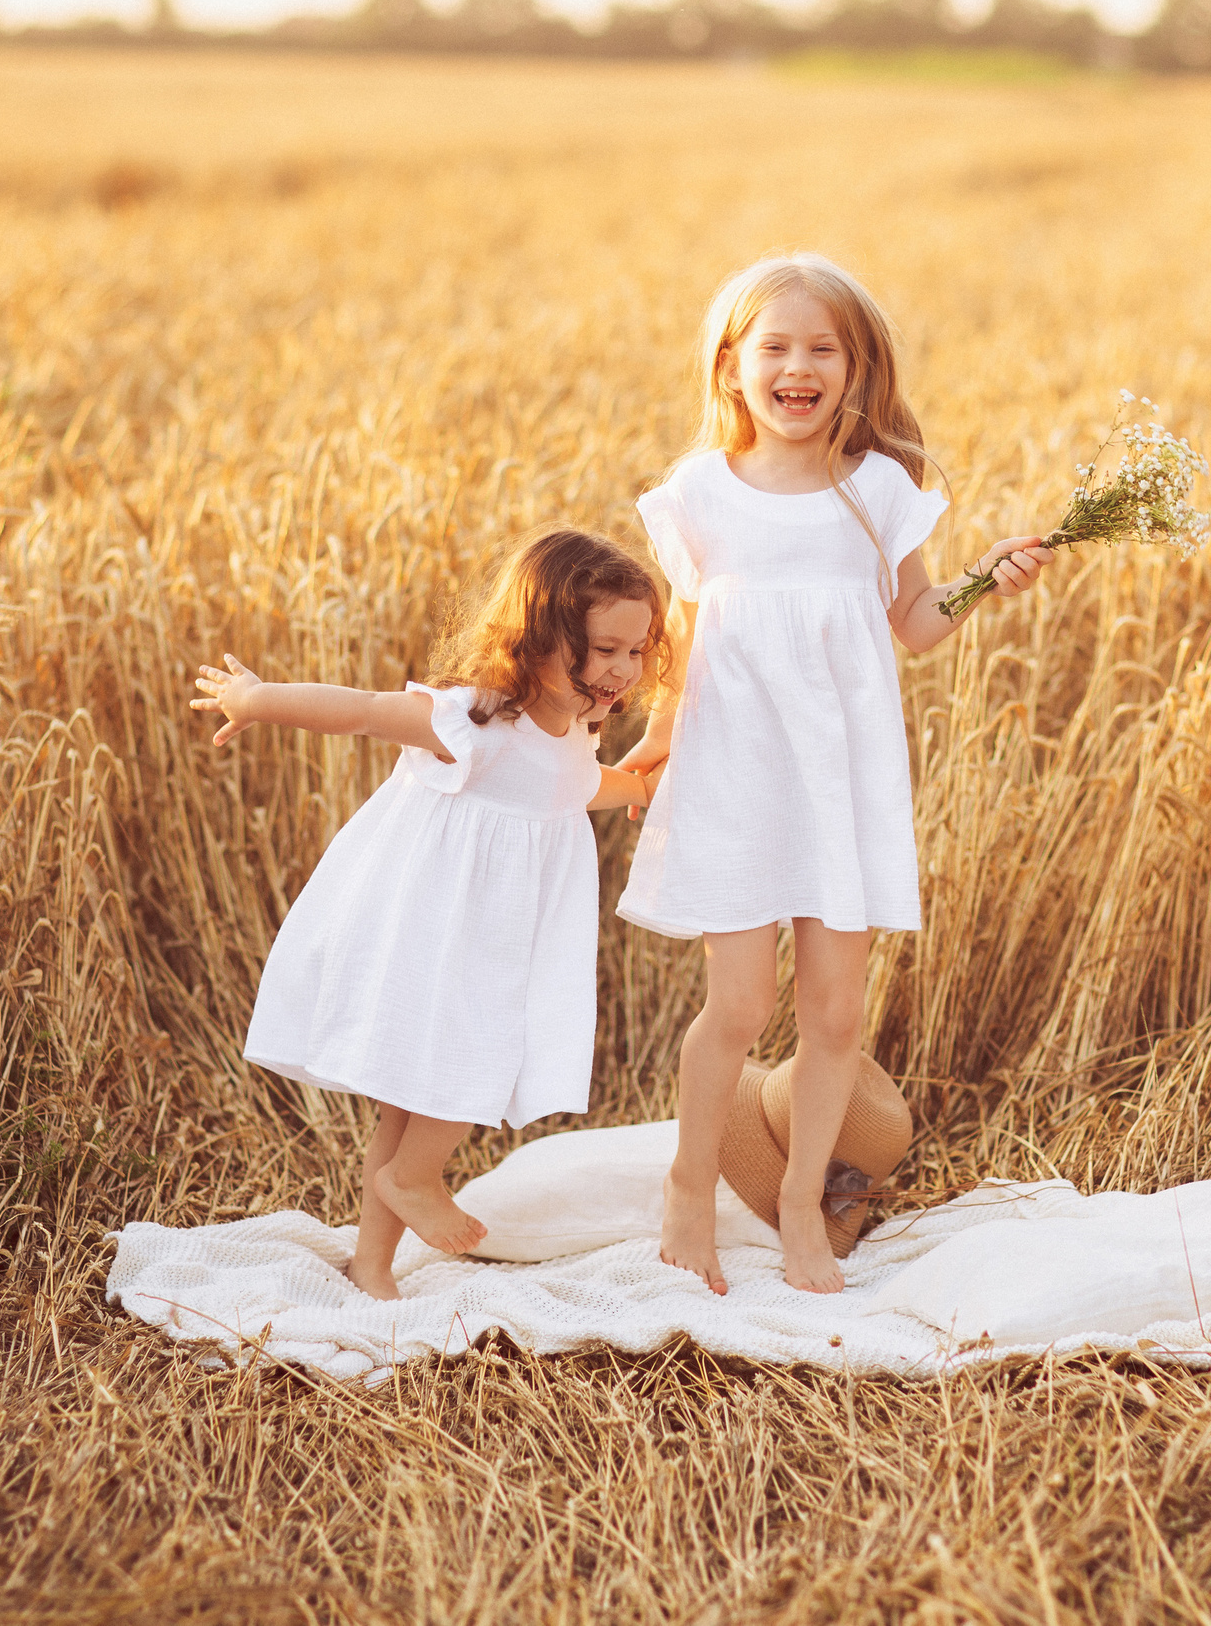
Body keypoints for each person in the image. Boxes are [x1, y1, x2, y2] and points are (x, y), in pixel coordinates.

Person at [615, 252, 1054, 1296]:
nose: (798, 368)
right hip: (732, 772)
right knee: (734, 1005)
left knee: (833, 1014)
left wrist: (984, 580)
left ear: (855, 372)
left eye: (823, 349)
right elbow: (677, 640)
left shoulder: (876, 490)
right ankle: (690, 1184)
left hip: (839, 780)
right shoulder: (696, 496)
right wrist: (652, 742)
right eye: (775, 348)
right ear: (731, 369)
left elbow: (912, 625)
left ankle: (804, 1199)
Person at [191, 528, 669, 1300]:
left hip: (505, 940)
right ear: (542, 636)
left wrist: (643, 789)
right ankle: (414, 1178)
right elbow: (362, 712)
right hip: (442, 930)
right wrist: (257, 699)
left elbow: (577, 786)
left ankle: (371, 1266)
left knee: (420, 1096)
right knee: (472, 1063)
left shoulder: (575, 727)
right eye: (604, 649)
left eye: (637, 652)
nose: (622, 670)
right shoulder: (476, 719)